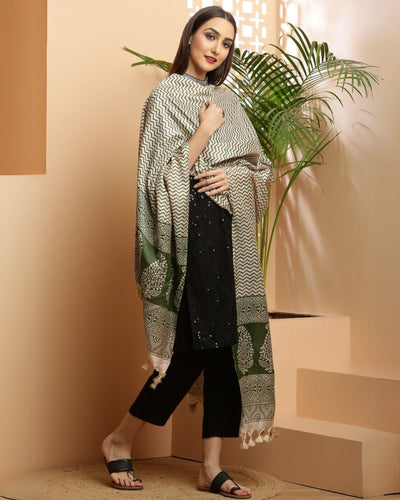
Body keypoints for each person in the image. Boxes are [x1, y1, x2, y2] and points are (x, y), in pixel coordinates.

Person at [102, 6, 275, 498]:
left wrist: (233, 176)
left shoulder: (231, 102)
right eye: (210, 35)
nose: (217, 48)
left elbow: (260, 170)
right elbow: (156, 180)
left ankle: (210, 466)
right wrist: (203, 132)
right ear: (191, 37)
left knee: (225, 347)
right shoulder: (164, 96)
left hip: (230, 235)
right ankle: (120, 438)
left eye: (226, 42)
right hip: (188, 232)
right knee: (194, 345)